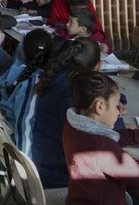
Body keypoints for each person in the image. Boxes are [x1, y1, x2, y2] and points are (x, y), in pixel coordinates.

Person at [64, 71, 139, 204]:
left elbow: (107, 138)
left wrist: (138, 136)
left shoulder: (72, 127)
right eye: (117, 105)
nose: (119, 112)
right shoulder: (103, 149)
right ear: (100, 106)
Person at [28, 37, 103, 188]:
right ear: (98, 67)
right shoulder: (71, 93)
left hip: (40, 156)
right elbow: (88, 137)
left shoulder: (57, 73)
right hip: (54, 171)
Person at [0, 29, 53, 153]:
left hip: (6, 123)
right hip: (15, 138)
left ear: (23, 53)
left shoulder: (17, 68)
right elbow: (24, 126)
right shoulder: (31, 84)